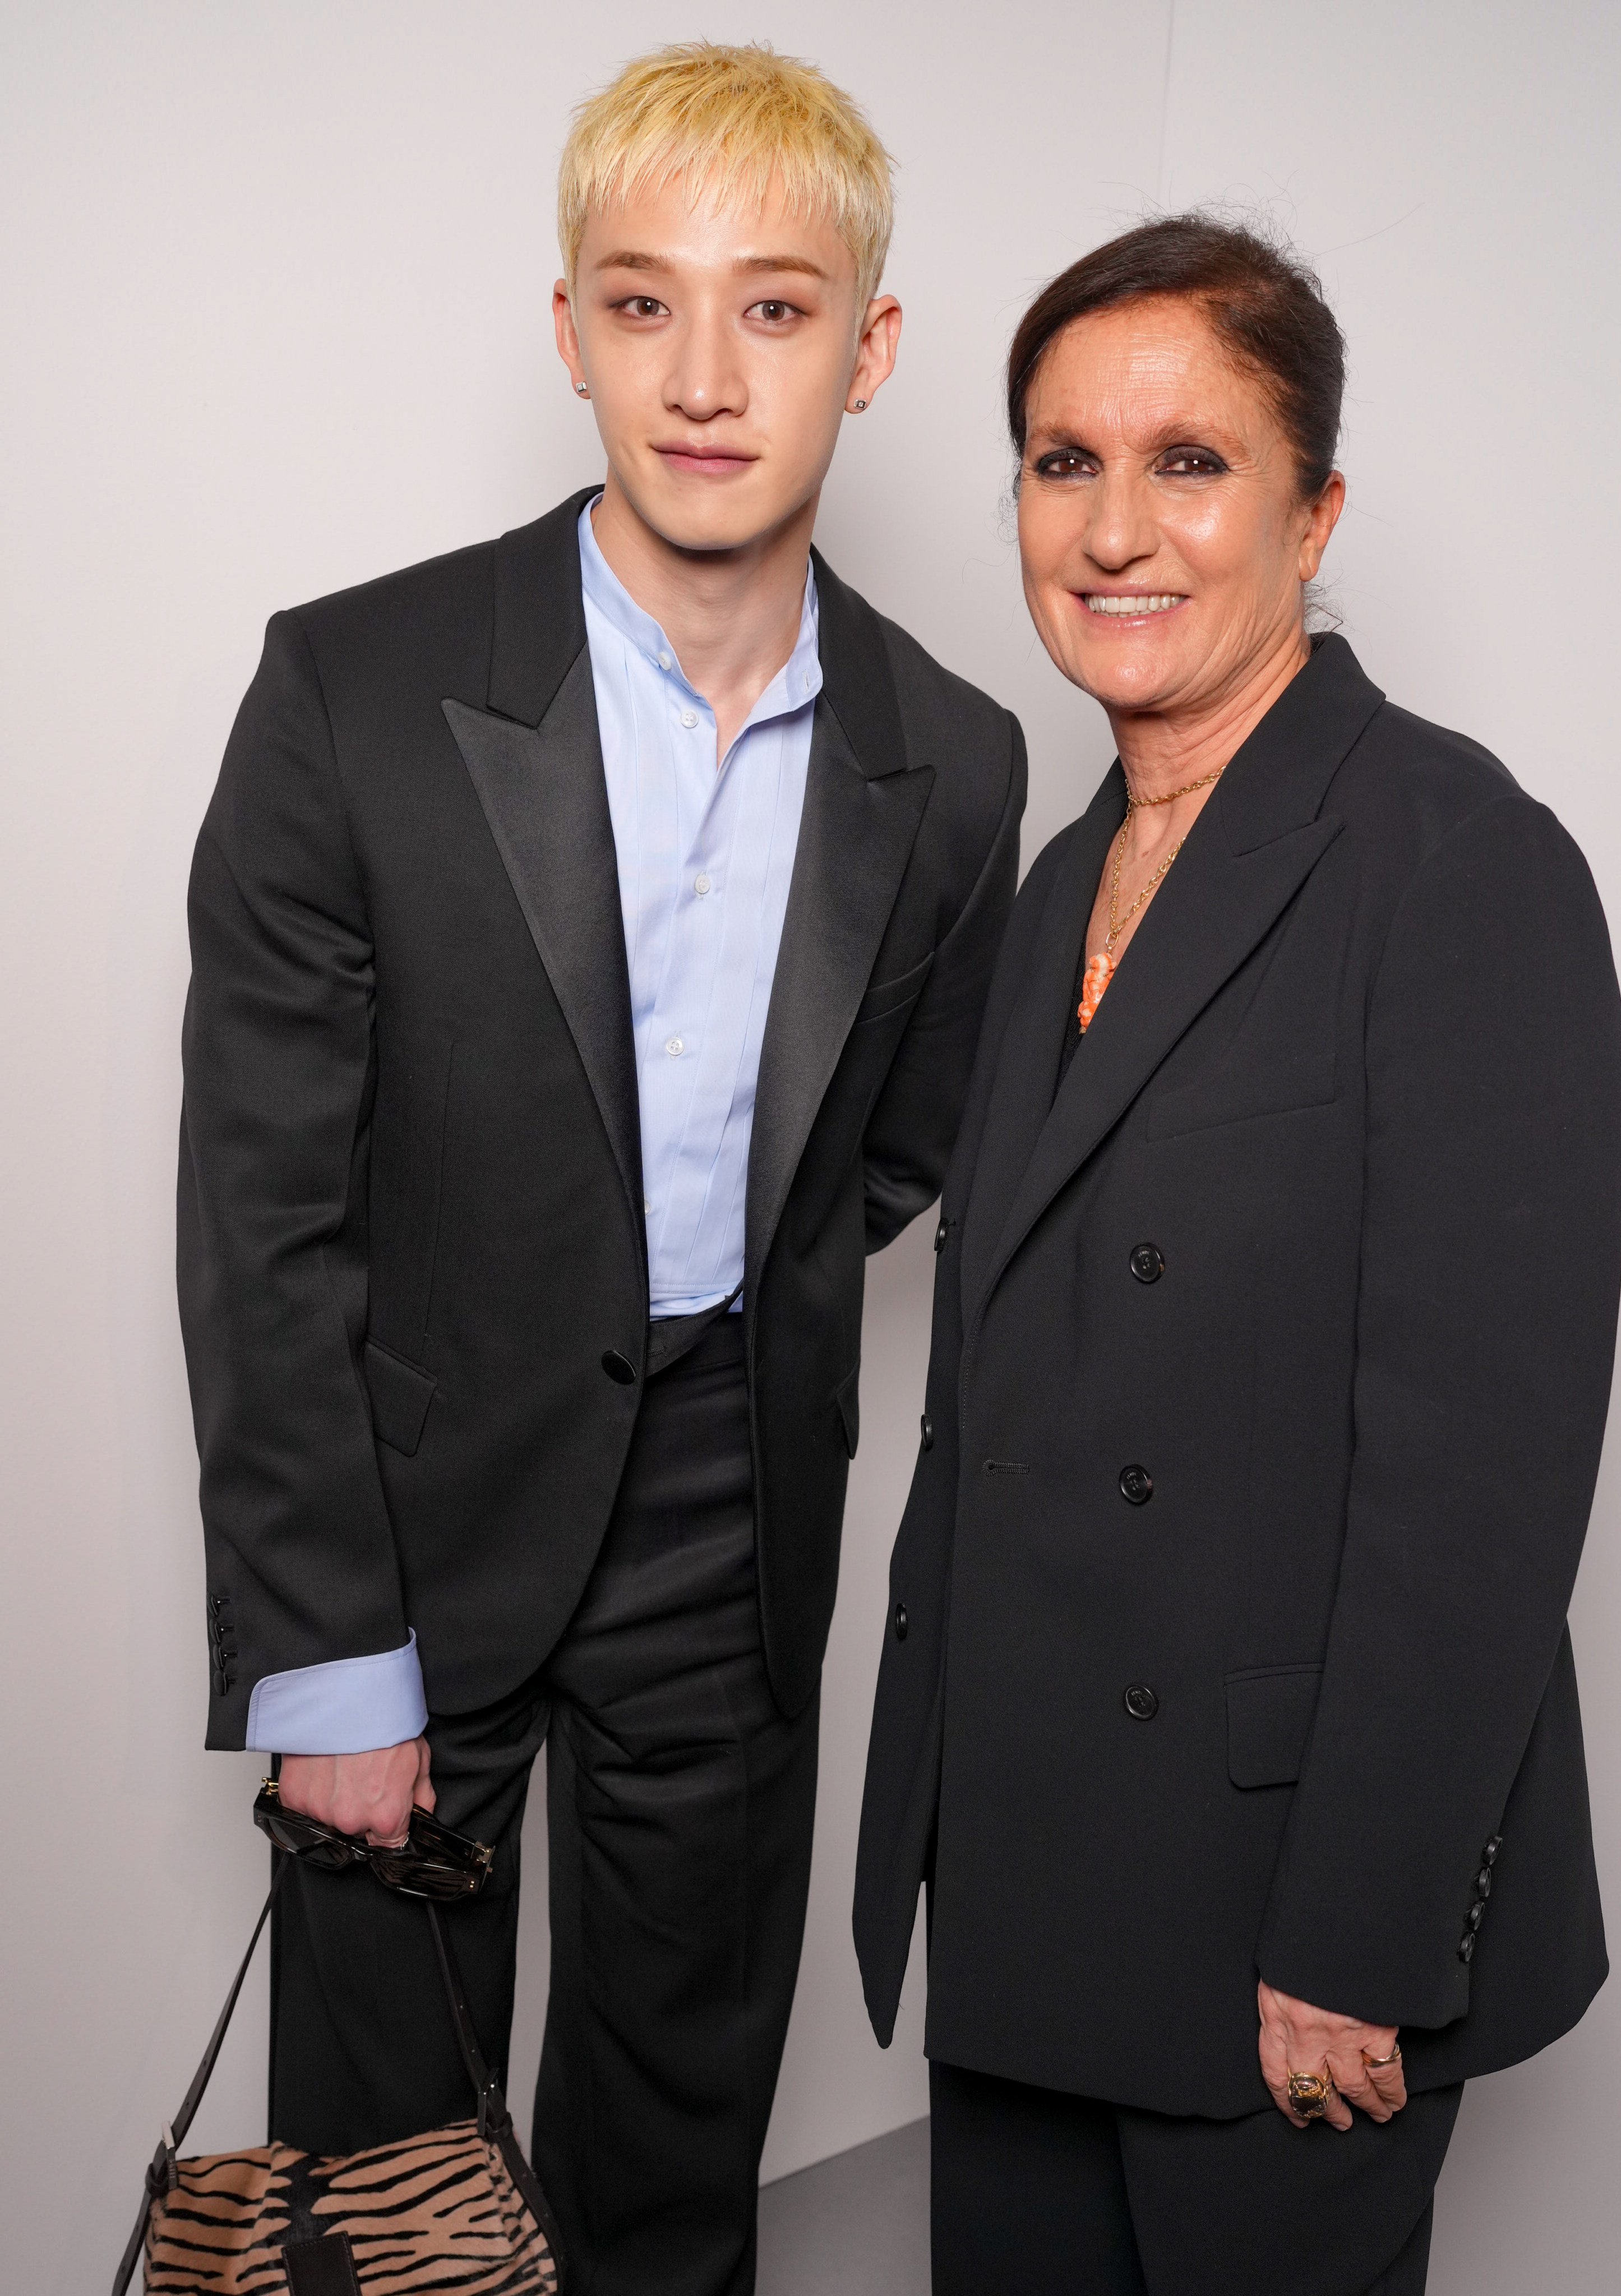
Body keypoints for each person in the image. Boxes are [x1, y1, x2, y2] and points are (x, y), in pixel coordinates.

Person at [177, 41, 1023, 2294]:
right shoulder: (348, 693)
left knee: (669, 2174)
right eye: (644, 304)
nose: (707, 375)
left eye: (774, 306)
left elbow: (888, 1154)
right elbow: (261, 1217)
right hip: (406, 1517)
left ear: (874, 345)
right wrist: (328, 1662)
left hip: (730, 1526)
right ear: (569, 332)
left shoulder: (959, 759)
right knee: (385, 2201)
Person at [853, 214, 1621, 2296]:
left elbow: (1483, 1482)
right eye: (1060, 461)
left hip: (1276, 1918)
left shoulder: (1457, 861)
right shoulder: (1053, 887)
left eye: (1190, 462)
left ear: (1316, 509)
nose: (1116, 528)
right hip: (1029, 1876)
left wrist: (1357, 1938)